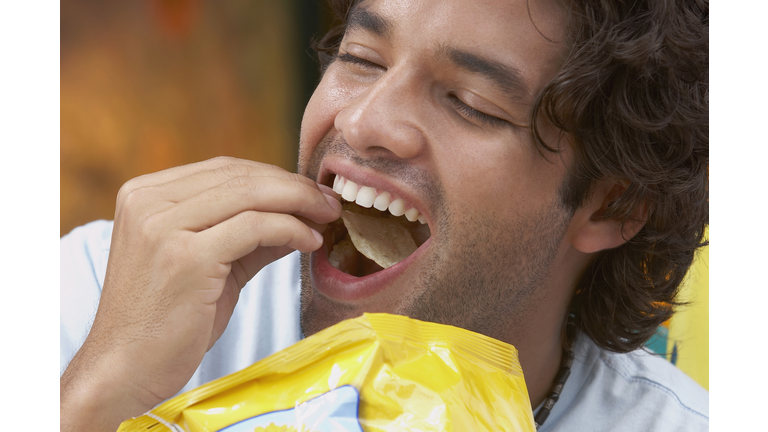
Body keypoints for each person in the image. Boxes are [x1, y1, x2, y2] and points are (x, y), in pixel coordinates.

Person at [60, 0, 709, 430]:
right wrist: (101, 394)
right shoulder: (99, 292)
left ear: (612, 203)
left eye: (470, 103)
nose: (364, 121)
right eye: (361, 59)